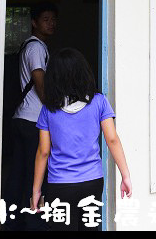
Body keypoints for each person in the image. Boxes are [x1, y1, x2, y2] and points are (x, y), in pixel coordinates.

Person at [31, 48, 132, 232]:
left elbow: (43, 151)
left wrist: (36, 190)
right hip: (92, 181)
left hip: (60, 184)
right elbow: (112, 140)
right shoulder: (99, 102)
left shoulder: (48, 110)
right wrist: (125, 175)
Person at [6, 1, 58, 230]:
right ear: (34, 23)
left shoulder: (30, 46)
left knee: (19, 171)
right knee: (34, 173)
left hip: (22, 118)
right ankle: (31, 221)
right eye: (46, 19)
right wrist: (53, 108)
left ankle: (12, 220)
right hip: (33, 120)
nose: (51, 23)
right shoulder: (36, 47)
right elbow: (39, 79)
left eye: (53, 19)